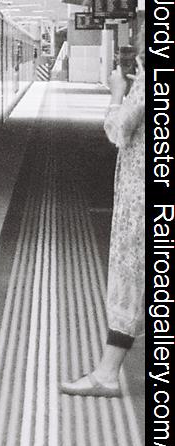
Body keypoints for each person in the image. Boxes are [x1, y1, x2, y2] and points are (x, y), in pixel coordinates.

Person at [62, 52, 147, 398]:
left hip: (140, 199)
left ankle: (107, 373)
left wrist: (116, 92)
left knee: (130, 279)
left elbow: (118, 130)